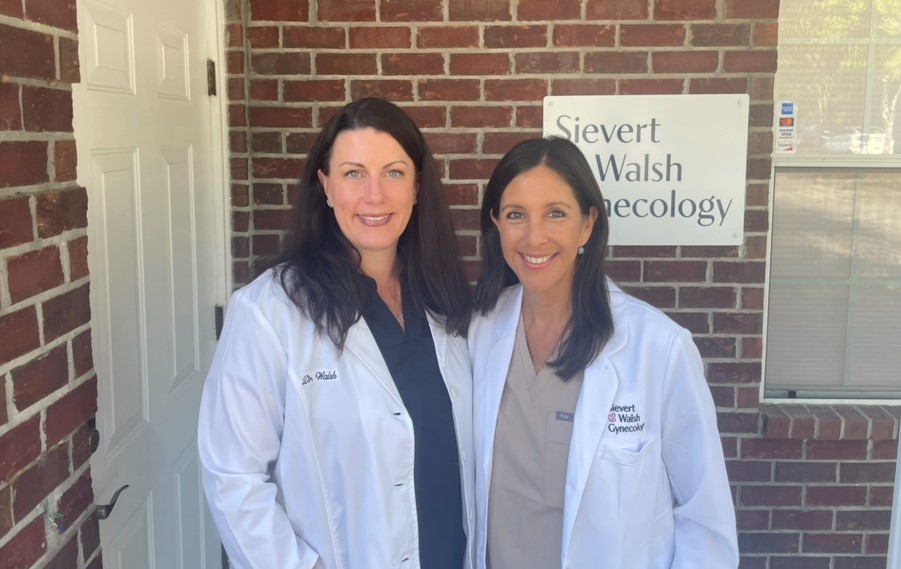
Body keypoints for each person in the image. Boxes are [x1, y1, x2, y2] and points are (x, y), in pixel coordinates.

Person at [198, 98, 475, 569]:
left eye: (393, 172)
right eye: (353, 174)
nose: (374, 195)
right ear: (325, 186)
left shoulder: (445, 298)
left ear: (417, 186)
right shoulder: (271, 311)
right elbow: (232, 475)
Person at [469, 137, 738, 569]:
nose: (534, 237)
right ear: (497, 223)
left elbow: (706, 521)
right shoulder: (478, 332)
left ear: (588, 224)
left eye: (555, 213)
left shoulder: (659, 349)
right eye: (516, 215)